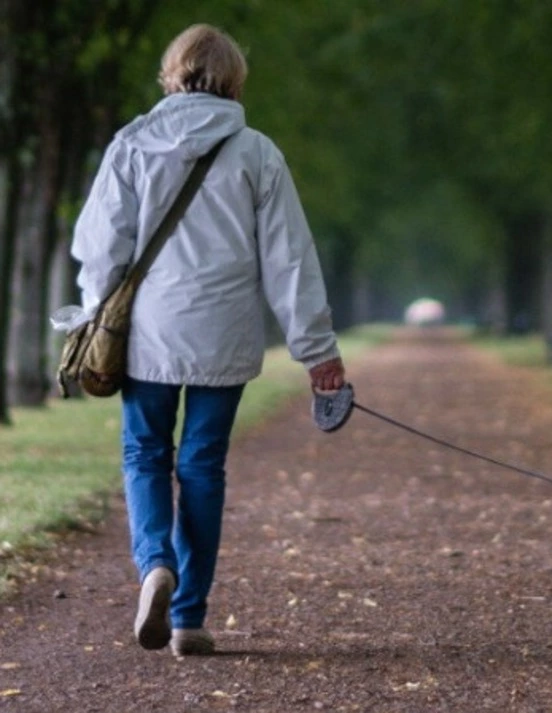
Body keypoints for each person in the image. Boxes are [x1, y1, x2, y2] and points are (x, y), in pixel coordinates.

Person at [69, 24, 346, 656]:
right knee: (201, 465)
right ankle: (189, 616)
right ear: (235, 80)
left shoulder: (133, 144)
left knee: (145, 455)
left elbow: (100, 246)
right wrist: (317, 350)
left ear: (172, 74)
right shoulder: (257, 153)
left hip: (148, 333)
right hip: (224, 334)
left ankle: (155, 565)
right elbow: (290, 261)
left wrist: (92, 312)